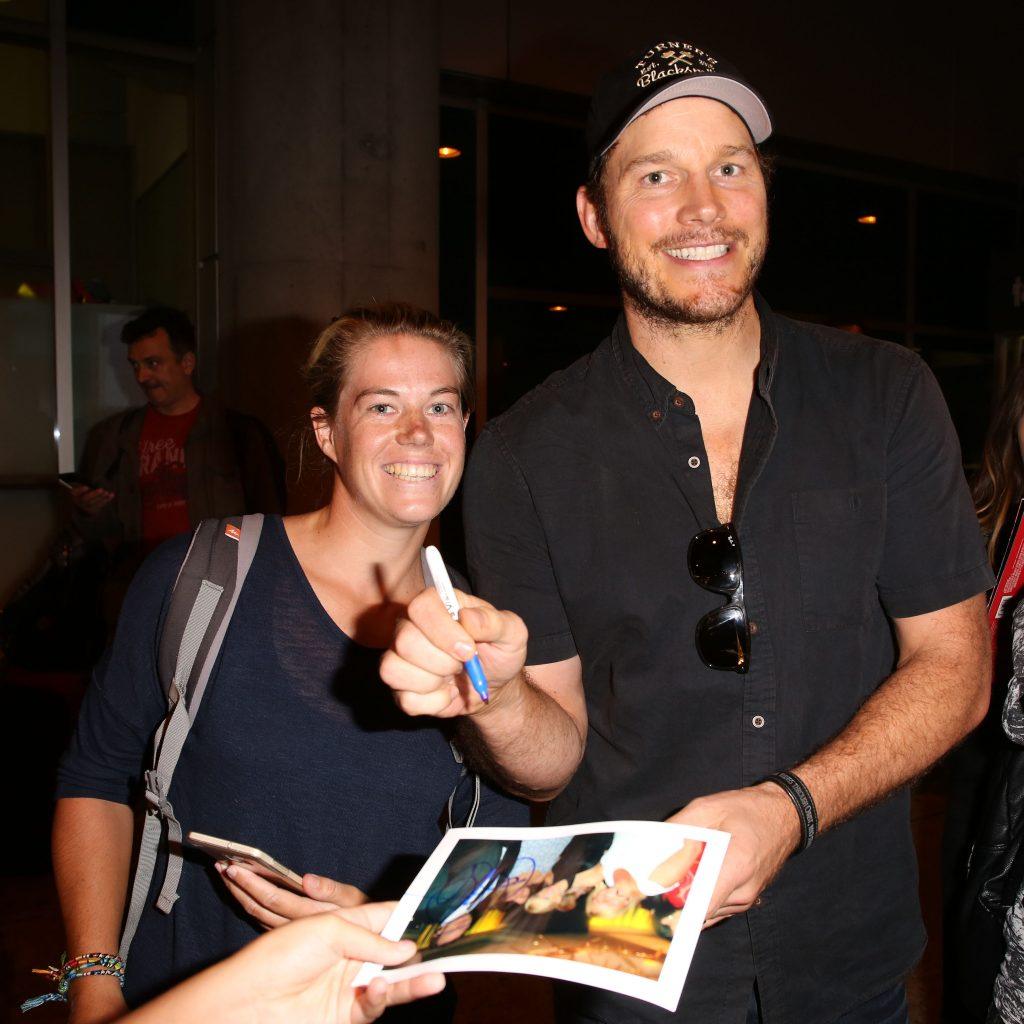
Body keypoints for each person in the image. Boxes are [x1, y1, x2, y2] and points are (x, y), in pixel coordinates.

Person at [379, 37, 993, 1024]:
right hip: (624, 966)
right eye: (655, 174)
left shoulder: (884, 396)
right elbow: (550, 751)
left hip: (850, 956)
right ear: (594, 215)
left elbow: (954, 666)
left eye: (729, 166)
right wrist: (485, 695)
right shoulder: (526, 452)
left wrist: (790, 808)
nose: (702, 208)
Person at [52, 303, 526, 1024]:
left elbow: (498, 859)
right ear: (325, 432)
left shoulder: (484, 634)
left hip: (391, 1001)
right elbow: (95, 777)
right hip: (187, 992)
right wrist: (93, 979)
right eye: (381, 405)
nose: (417, 432)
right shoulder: (203, 575)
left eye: (441, 405)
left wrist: (390, 920)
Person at [70, 306, 285, 614]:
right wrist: (89, 510)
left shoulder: (237, 432)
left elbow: (271, 519)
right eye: (135, 365)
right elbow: (101, 536)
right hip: (141, 588)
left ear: (187, 363)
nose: (142, 376)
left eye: (153, 363)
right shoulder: (114, 436)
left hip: (217, 592)